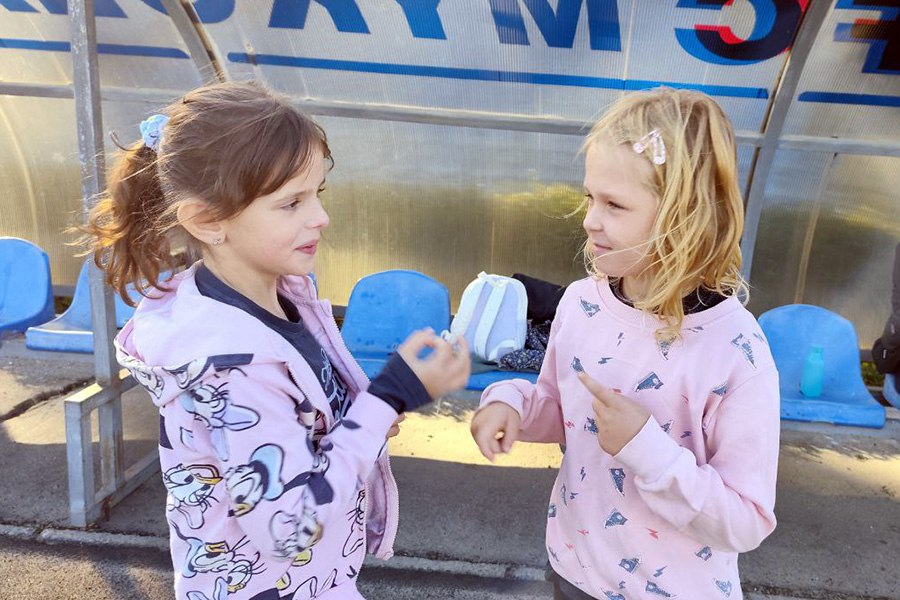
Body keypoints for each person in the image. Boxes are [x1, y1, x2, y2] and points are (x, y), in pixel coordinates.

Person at [81, 81, 470, 600]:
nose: (320, 217)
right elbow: (288, 530)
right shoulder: (231, 365)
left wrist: (365, 419)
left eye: (317, 194)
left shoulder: (276, 301)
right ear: (206, 221)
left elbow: (297, 432)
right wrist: (389, 396)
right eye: (291, 203)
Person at [471, 87, 780, 600]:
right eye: (589, 198)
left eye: (614, 204)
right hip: (573, 572)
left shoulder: (736, 350)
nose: (589, 219)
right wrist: (511, 404)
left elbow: (746, 521)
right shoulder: (580, 303)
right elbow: (561, 409)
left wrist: (647, 450)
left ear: (686, 216)